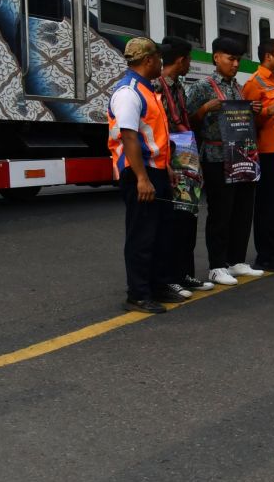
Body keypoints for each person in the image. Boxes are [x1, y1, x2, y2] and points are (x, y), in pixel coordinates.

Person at [107, 37, 177, 313]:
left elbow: (152, 137)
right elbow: (129, 137)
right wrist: (142, 178)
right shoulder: (129, 92)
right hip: (140, 172)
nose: (161, 62)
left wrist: (165, 166)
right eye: (159, 58)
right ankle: (137, 294)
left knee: (160, 233)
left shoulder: (147, 89)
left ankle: (157, 286)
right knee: (142, 236)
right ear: (149, 60)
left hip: (154, 169)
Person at [186, 36, 263, 286]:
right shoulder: (202, 87)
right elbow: (186, 121)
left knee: (243, 210)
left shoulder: (238, 88)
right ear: (216, 57)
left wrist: (252, 110)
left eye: (238, 60)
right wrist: (204, 110)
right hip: (216, 157)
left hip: (241, 155)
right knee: (221, 212)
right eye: (231, 59)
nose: (235, 64)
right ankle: (216, 266)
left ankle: (236, 260)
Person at [155, 36, 213, 297]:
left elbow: (184, 119)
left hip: (186, 155)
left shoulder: (178, 86)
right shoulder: (157, 87)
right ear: (180, 61)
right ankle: (169, 276)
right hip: (170, 156)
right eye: (189, 59)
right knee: (172, 221)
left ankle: (184, 273)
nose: (190, 64)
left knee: (188, 217)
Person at [241, 38, 274, 273]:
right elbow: (244, 121)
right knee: (269, 207)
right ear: (268, 56)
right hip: (268, 153)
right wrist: (267, 112)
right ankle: (266, 255)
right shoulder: (255, 83)